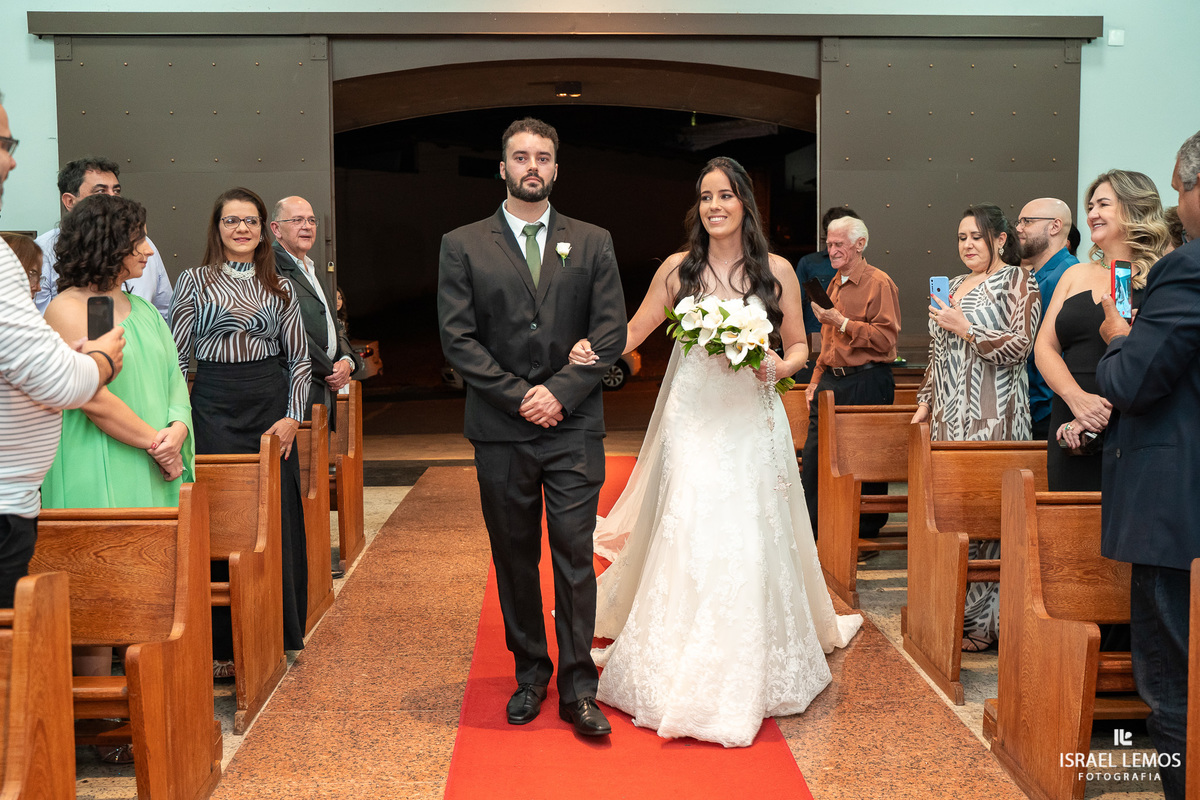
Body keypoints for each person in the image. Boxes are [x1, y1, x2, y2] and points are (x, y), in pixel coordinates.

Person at [572, 157, 862, 748]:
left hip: (750, 419)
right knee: (692, 527)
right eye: (705, 197)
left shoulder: (775, 269)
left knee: (747, 531)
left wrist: (780, 366)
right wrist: (589, 351)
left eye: (726, 195)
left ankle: (748, 658)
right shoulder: (680, 270)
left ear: (744, 204)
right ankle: (675, 655)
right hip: (693, 418)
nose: (715, 206)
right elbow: (634, 332)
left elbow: (802, 346)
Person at [437, 118, 627, 737]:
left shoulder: (592, 241)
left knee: (575, 558)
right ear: (502, 168)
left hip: (573, 430)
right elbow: (458, 340)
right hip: (501, 430)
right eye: (520, 157)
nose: (532, 167)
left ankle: (579, 687)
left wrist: (560, 395)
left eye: (542, 156)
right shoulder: (463, 243)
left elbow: (609, 334)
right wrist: (524, 398)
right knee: (515, 558)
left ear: (555, 167)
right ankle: (529, 675)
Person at [39, 193, 192, 765]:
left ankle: (147, 705)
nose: (148, 250)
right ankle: (101, 723)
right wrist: (155, 440)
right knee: (104, 592)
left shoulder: (141, 308)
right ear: (108, 245)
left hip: (152, 459)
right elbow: (96, 398)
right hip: (106, 460)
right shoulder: (84, 308)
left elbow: (177, 378)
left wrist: (177, 426)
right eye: (138, 241)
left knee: (148, 590)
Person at [1094, 129, 1200, 800]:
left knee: (1174, 689)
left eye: (1180, 188)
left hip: (1177, 512)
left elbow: (1134, 381)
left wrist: (1115, 342)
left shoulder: (1184, 268)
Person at [170, 187, 311, 671]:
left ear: (262, 229)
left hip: (269, 406)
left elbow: (299, 359)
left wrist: (293, 416)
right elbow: (179, 359)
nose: (242, 229)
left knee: (275, 514)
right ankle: (220, 647)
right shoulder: (193, 280)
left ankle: (277, 628)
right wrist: (180, 419)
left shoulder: (282, 285)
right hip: (211, 405)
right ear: (217, 228)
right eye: (232, 221)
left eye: (250, 220)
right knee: (220, 515)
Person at [0, 93, 127, 607]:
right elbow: (67, 381)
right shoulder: (88, 306)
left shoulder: (133, 304)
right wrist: (96, 362)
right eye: (5, 144)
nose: (12, 159)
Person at [912, 204, 1040, 651]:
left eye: (976, 237)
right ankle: (954, 612)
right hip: (950, 417)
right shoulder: (950, 284)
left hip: (996, 417)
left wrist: (966, 327)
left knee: (989, 523)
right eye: (962, 237)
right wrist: (925, 402)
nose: (967, 245)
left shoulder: (1018, 280)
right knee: (955, 516)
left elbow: (1022, 346)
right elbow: (936, 352)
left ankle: (987, 625)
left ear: (1000, 240)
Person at [1033, 170, 1169, 491]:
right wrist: (1077, 400)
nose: (1091, 214)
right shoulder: (1075, 275)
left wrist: (1102, 415)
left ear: (1134, 208)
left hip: (1132, 422)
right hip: (1070, 422)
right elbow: (1044, 348)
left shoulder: (1163, 275)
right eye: (1090, 206)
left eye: (1103, 204)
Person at [800, 215, 901, 538]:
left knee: (866, 460)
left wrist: (841, 321)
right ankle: (811, 531)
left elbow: (886, 339)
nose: (831, 251)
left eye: (838, 244)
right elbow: (829, 339)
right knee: (815, 458)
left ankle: (865, 533)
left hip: (867, 379)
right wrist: (815, 379)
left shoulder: (879, 282)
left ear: (860, 245)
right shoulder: (834, 282)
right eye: (829, 244)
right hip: (832, 379)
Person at [33, 157, 173, 318]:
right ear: (70, 201)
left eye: (116, 191)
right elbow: (37, 321)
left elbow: (164, 310)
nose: (112, 199)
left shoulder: (144, 245)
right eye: (100, 192)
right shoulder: (42, 250)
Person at [270, 196, 360, 427]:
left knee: (319, 460)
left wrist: (347, 360)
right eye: (297, 220)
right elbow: (287, 328)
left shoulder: (312, 267)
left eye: (311, 220)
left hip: (323, 386)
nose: (307, 226)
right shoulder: (269, 267)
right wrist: (331, 368)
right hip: (293, 388)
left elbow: (333, 321)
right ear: (276, 229)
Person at [1016, 198, 1077, 440]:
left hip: (1048, 410)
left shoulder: (1065, 275)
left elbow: (1052, 349)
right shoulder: (1039, 275)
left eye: (1027, 222)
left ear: (1054, 227)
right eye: (1019, 222)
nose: (1019, 228)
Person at [795, 207, 861, 359]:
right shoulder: (810, 263)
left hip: (852, 344)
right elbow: (795, 306)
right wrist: (797, 349)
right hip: (816, 343)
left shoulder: (864, 268)